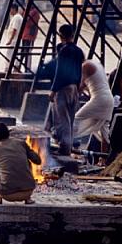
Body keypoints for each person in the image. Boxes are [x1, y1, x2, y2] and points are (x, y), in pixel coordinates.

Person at [37, 24, 85, 156]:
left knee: (62, 120)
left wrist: (53, 90)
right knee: (70, 119)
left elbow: (60, 72)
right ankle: (68, 147)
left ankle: (64, 148)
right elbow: (80, 71)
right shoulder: (79, 51)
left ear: (61, 36)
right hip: (74, 88)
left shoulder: (64, 51)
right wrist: (78, 87)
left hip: (63, 88)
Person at [0, 122, 41, 205]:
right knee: (26, 161)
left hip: (7, 195)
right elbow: (38, 161)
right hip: (28, 192)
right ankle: (28, 199)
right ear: (8, 133)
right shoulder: (21, 143)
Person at [74, 60, 114, 154]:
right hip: (109, 99)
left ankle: (68, 143)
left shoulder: (85, 66)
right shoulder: (96, 64)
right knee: (104, 132)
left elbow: (81, 86)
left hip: (99, 99)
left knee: (76, 118)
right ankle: (103, 159)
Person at [4, 4, 23, 72]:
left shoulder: (17, 17)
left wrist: (10, 40)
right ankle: (14, 70)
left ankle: (9, 70)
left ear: (14, 9)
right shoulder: (17, 17)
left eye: (10, 9)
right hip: (16, 40)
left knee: (9, 56)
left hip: (14, 41)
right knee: (15, 57)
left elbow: (14, 29)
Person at [20, 5, 40, 71]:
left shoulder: (34, 12)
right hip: (26, 34)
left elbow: (29, 23)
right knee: (25, 52)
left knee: (27, 53)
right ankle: (23, 68)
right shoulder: (28, 11)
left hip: (29, 35)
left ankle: (27, 69)